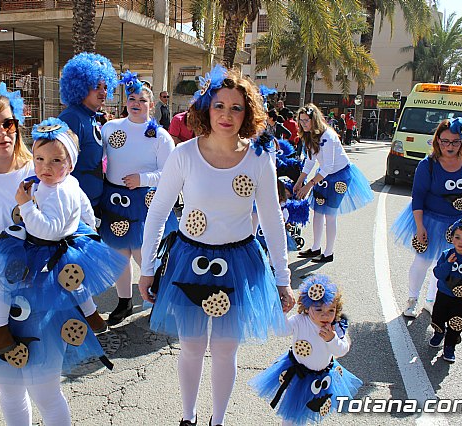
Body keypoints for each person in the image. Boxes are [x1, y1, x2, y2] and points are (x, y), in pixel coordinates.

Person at [0, 86, 112, 425]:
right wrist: (6, 264)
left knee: (45, 389)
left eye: (8, 124)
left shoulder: (42, 167)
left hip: (45, 292)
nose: (2, 133)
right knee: (10, 390)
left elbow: (82, 221)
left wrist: (63, 255)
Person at [138, 64, 295, 426]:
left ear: (248, 113)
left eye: (236, 107)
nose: (227, 115)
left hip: (241, 264)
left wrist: (282, 277)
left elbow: (272, 220)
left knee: (225, 350)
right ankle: (188, 417)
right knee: (192, 347)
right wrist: (147, 269)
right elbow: (159, 211)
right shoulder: (185, 155)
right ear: (206, 108)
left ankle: (218, 420)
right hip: (189, 260)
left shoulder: (259, 157)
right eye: (219, 106)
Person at [0, 117, 126, 358]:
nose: (46, 167)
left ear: (71, 164)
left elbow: (48, 229)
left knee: (1, 281)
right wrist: (89, 224)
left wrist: (25, 206)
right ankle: (93, 317)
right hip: (69, 245)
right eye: (40, 159)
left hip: (47, 248)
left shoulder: (55, 191)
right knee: (76, 283)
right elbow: (85, 204)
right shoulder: (69, 182)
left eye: (56, 161)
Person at [100, 71, 177, 326]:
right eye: (132, 98)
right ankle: (124, 301)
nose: (136, 103)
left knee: (146, 253)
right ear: (125, 101)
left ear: (152, 105)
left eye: (142, 100)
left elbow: (169, 173)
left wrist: (142, 179)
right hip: (114, 200)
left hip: (145, 201)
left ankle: (156, 299)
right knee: (119, 255)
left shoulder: (161, 136)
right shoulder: (110, 128)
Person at [391, 118, 462, 318]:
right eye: (444, 141)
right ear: (437, 140)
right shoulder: (429, 165)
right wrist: (419, 226)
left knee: (446, 263)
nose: (449, 146)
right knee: (422, 262)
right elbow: (418, 196)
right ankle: (412, 299)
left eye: (454, 141)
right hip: (430, 220)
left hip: (460, 224)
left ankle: (431, 301)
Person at [249, 275, 362, 425]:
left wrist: (331, 338)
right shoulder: (300, 321)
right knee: (292, 414)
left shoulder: (335, 327)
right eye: (319, 309)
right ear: (307, 309)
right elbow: (282, 331)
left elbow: (342, 350)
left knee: (310, 410)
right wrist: (282, 313)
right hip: (299, 375)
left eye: (331, 310)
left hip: (323, 376)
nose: (325, 315)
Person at [293, 104, 374, 263]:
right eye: (301, 121)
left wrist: (309, 185)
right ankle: (315, 247)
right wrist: (299, 181)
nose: (303, 124)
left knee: (330, 215)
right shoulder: (309, 135)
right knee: (317, 211)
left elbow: (329, 166)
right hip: (324, 176)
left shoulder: (328, 136)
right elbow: (310, 161)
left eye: (306, 120)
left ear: (314, 119)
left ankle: (328, 252)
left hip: (339, 177)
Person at [58, 52, 118, 211]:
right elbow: (58, 165)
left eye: (105, 87)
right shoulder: (72, 118)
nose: (103, 92)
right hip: (75, 209)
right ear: (81, 86)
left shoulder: (90, 117)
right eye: (96, 86)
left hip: (92, 206)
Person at [429, 218, 462, 363]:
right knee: (437, 317)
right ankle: (439, 333)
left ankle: (450, 346)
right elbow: (437, 273)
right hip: (444, 294)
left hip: (461, 298)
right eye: (457, 237)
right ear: (451, 238)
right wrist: (447, 264)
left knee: (456, 322)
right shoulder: (447, 254)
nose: (461, 242)